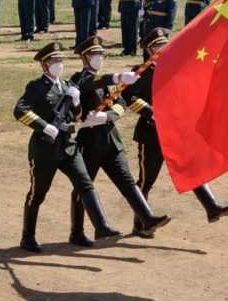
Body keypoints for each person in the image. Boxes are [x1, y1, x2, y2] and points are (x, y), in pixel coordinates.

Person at [122, 28, 228, 237]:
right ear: (148, 49)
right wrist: (150, 112)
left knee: (191, 169)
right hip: (152, 133)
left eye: (165, 44)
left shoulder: (173, 68)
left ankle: (211, 207)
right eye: (158, 46)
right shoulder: (141, 72)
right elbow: (129, 97)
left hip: (175, 131)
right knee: (147, 180)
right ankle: (141, 224)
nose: (163, 49)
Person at [13, 41, 122, 253]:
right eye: (54, 60)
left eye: (60, 60)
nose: (58, 64)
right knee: (38, 194)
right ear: (44, 65)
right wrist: (43, 127)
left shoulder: (66, 86)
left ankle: (97, 227)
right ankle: (28, 237)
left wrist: (76, 102)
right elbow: (20, 110)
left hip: (68, 146)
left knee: (85, 184)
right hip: (45, 148)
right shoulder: (36, 87)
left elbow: (77, 116)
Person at [67, 36, 171, 246]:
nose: (99, 58)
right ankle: (77, 231)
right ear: (84, 58)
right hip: (90, 142)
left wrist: (108, 115)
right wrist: (115, 77)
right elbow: (89, 85)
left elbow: (121, 101)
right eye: (95, 55)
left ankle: (147, 218)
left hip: (111, 140)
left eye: (101, 54)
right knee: (83, 187)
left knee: (127, 181)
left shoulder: (105, 82)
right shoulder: (79, 79)